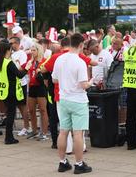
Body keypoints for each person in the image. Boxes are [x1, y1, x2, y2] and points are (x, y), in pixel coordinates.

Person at [52, 33, 93, 174]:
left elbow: (54, 80)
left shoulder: (59, 59)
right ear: (81, 45)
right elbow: (83, 85)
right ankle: (79, 163)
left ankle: (62, 162)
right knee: (78, 134)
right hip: (78, 101)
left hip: (63, 99)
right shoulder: (80, 62)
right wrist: (91, 83)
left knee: (63, 132)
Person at [0, 40, 30, 144]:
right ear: (8, 50)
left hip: (4, 91)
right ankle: (9, 137)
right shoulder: (8, 63)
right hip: (11, 91)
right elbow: (20, 75)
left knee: (9, 114)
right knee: (11, 115)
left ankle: (9, 136)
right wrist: (27, 68)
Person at [26, 43, 49, 140]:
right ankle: (34, 130)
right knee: (31, 110)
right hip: (31, 87)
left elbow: (46, 76)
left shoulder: (43, 61)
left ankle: (44, 132)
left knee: (43, 110)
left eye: (34, 50)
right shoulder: (30, 62)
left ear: (38, 51)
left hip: (41, 87)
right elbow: (28, 73)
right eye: (31, 50)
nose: (32, 52)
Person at [9, 36, 31, 136]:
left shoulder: (22, 54)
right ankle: (26, 126)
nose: (11, 45)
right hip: (14, 83)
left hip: (21, 82)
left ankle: (27, 126)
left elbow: (22, 68)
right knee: (18, 105)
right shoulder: (11, 54)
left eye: (12, 43)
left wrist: (14, 71)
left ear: (17, 43)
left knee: (23, 106)